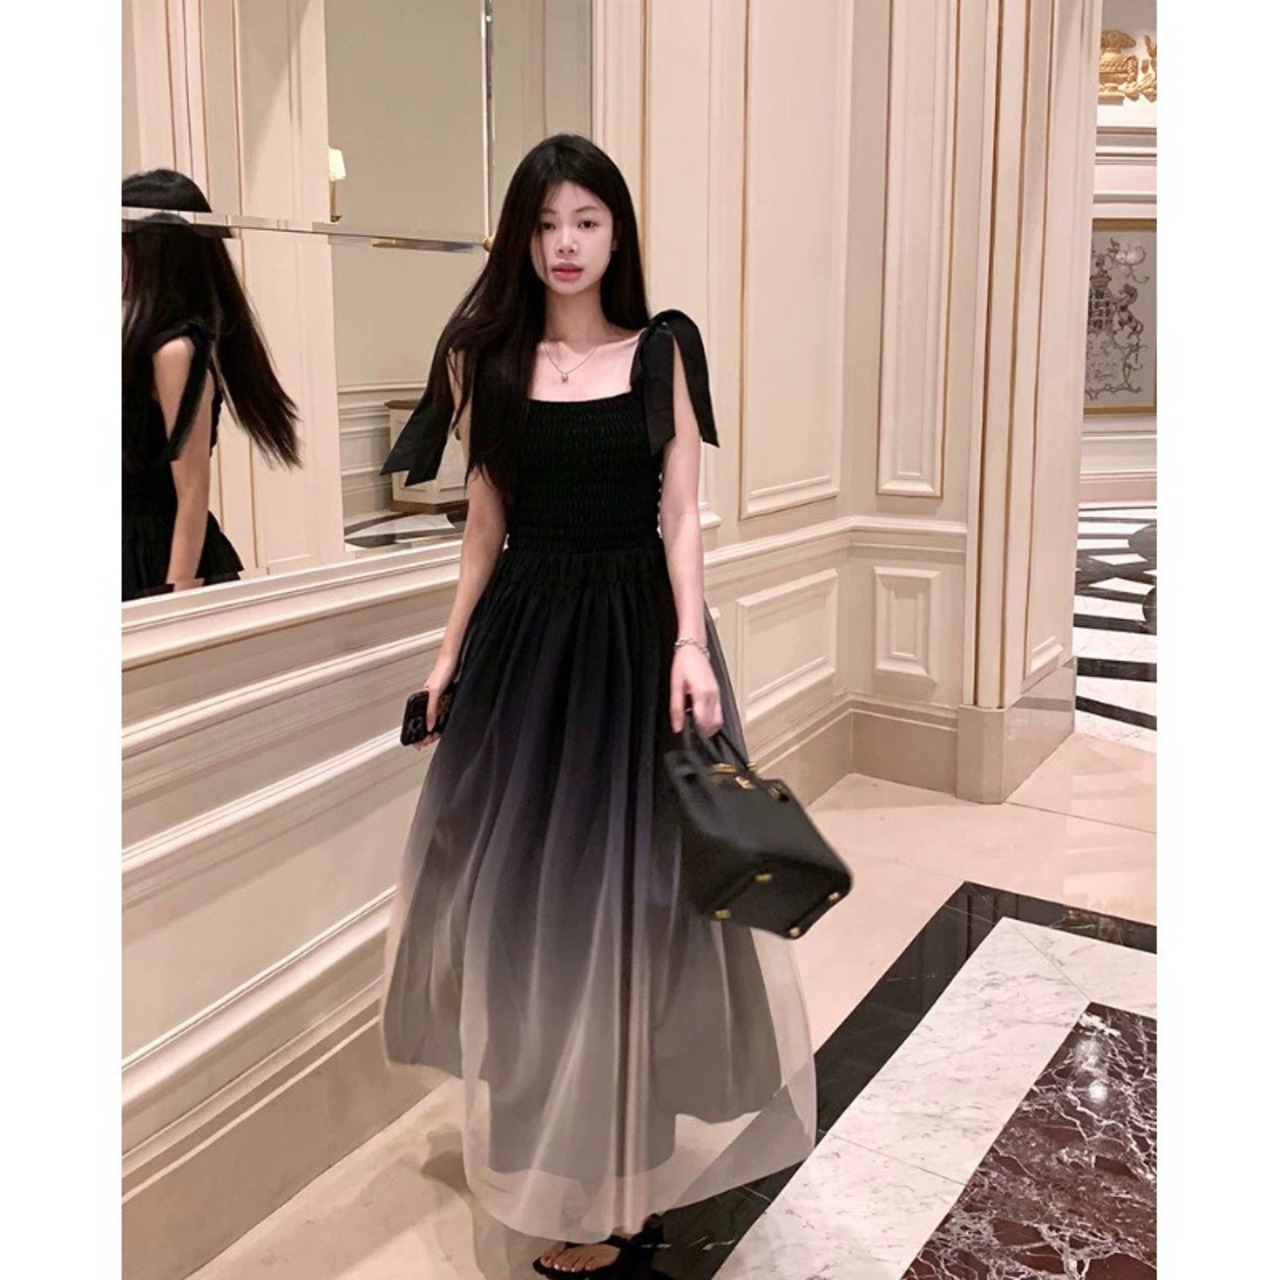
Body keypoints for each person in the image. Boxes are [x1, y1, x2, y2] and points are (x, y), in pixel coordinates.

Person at [379, 133, 815, 1278]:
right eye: (543, 224)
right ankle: (567, 1156)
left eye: (584, 220)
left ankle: (620, 1183)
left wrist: (689, 642)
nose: (563, 244)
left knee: (641, 911)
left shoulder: (662, 348)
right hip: (527, 652)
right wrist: (445, 657)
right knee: (529, 914)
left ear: (616, 232)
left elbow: (679, 515)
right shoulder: (488, 361)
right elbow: (483, 530)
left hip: (635, 646)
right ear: (519, 239)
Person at [121, 169, 301, 600]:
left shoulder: (176, 351)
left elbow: (192, 491)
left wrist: (179, 600)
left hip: (157, 558)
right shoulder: (142, 338)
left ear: (153, 252)